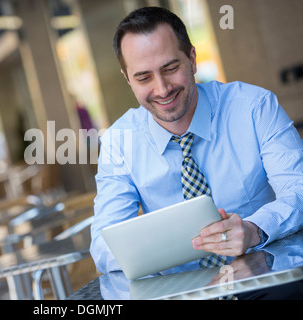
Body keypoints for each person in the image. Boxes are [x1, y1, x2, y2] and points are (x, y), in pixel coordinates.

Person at [90, 7, 303, 278]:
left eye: (170, 68)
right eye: (144, 77)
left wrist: (254, 230)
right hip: (180, 289)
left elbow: (298, 188)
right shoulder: (118, 142)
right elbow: (103, 247)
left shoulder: (255, 107)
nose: (162, 88)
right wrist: (168, 247)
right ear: (127, 79)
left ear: (192, 59)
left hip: (267, 277)